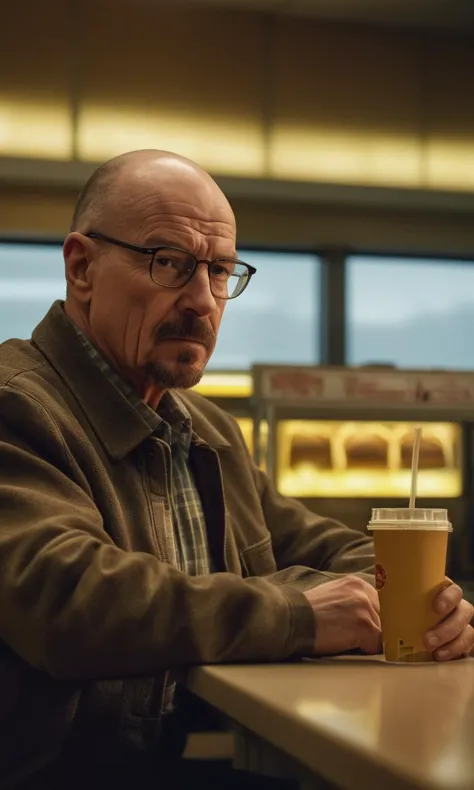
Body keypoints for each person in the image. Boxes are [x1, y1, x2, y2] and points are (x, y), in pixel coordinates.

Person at [0, 150, 472, 789]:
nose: (202, 299)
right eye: (169, 262)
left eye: (220, 271)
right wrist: (300, 613)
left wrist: (432, 603)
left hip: (193, 750)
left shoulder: (205, 428)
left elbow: (318, 546)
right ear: (81, 267)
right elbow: (70, 599)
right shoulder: (18, 405)